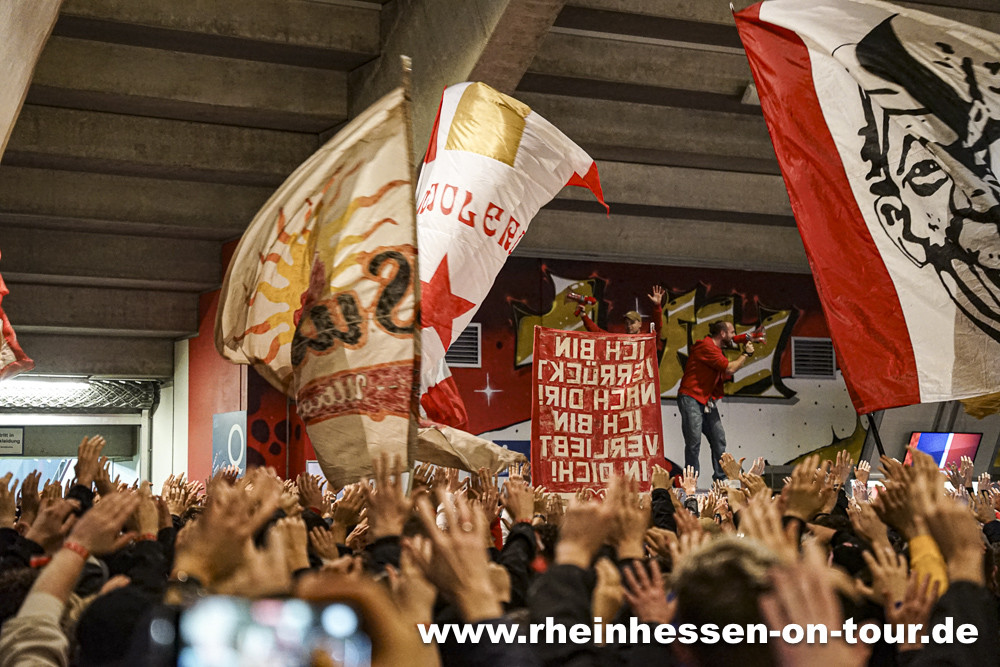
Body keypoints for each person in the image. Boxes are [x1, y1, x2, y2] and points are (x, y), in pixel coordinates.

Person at [677, 320, 754, 481]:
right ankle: (690, 482)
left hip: (705, 400)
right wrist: (745, 354)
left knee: (718, 438)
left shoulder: (715, 349)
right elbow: (730, 368)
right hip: (691, 397)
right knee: (693, 443)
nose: (734, 335)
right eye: (732, 332)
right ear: (723, 333)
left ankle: (721, 479)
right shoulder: (707, 347)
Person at [579, 285, 666, 353]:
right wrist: (583, 315)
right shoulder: (620, 340)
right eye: (627, 323)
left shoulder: (648, 339)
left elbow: (657, 325)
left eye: (632, 322)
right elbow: (597, 332)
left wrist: (657, 306)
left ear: (640, 324)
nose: (629, 326)